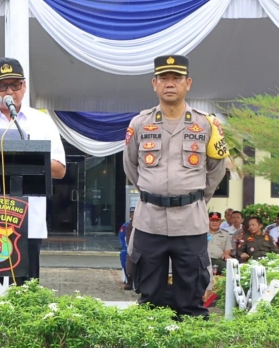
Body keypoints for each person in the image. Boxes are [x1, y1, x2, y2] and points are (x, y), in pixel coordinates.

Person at [122, 55, 228, 319]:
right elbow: (130, 166)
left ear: (188, 83)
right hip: (150, 221)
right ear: (154, 84)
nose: (170, 84)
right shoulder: (139, 124)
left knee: (191, 298)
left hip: (190, 221)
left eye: (177, 78)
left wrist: (193, 198)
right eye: (164, 79)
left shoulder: (207, 125)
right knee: (150, 299)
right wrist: (152, 193)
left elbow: (216, 170)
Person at [0, 57, 66, 283]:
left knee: (24, 297)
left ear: (25, 86)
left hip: (28, 225)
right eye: (2, 86)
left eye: (15, 85)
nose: (10, 92)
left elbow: (59, 169)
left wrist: (29, 159)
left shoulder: (42, 122)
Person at [119, 207, 135, 290]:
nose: (134, 216)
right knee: (124, 254)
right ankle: (129, 278)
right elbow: (122, 239)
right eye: (132, 214)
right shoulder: (126, 226)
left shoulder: (145, 226)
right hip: (130, 248)